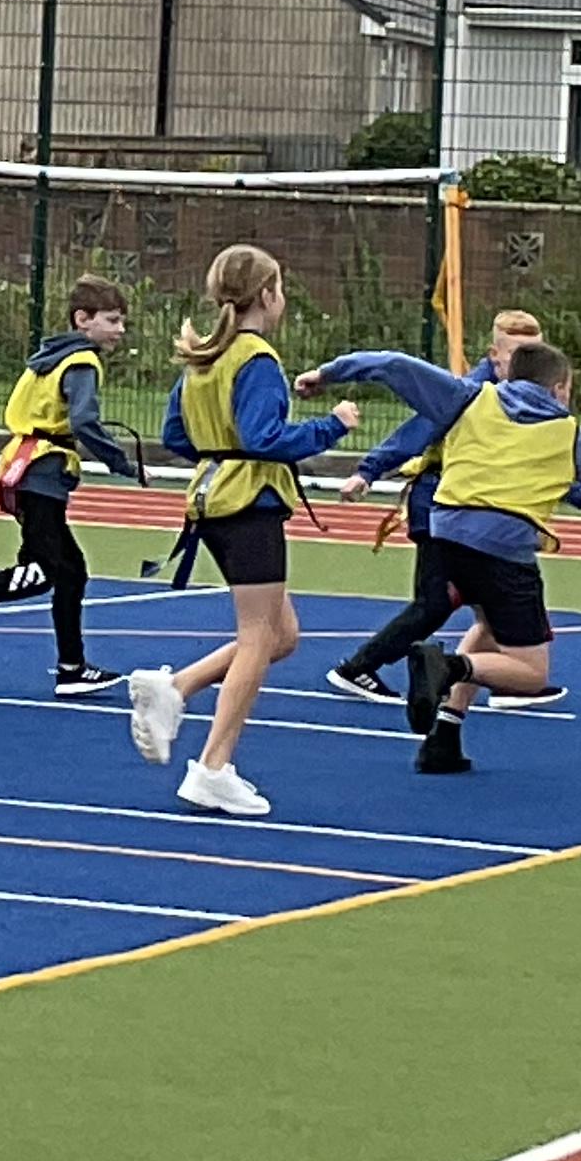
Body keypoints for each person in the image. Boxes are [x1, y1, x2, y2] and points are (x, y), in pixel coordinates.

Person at [325, 337, 581, 775]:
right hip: (502, 548)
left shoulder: (471, 398)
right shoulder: (567, 433)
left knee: (488, 627)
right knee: (531, 674)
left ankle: (444, 738)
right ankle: (445, 666)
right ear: (559, 388)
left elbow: (393, 364)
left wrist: (327, 374)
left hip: (445, 533)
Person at [121, 249, 357, 815]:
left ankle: (176, 687)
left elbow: (175, 434)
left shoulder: (204, 355)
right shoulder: (255, 358)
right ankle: (213, 766)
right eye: (281, 288)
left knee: (282, 635)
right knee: (257, 636)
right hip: (249, 503)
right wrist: (332, 427)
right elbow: (262, 438)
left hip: (212, 498)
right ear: (268, 295)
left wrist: (217, 445)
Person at [0, 276, 148, 698]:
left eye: (122, 321)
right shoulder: (82, 361)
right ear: (83, 319)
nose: (120, 329)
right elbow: (84, 421)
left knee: (64, 571)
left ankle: (71, 667)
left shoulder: (48, 357)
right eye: (112, 320)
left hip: (26, 465)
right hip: (41, 471)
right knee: (53, 570)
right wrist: (123, 464)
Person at [320, 306, 547, 710]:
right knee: (435, 603)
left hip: (476, 514)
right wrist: (369, 470)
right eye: (518, 355)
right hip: (439, 505)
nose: (529, 365)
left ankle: (508, 677)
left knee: (490, 605)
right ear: (494, 355)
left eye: (536, 355)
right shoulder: (471, 394)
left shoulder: (528, 399)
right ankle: (358, 667)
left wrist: (579, 492)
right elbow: (418, 430)